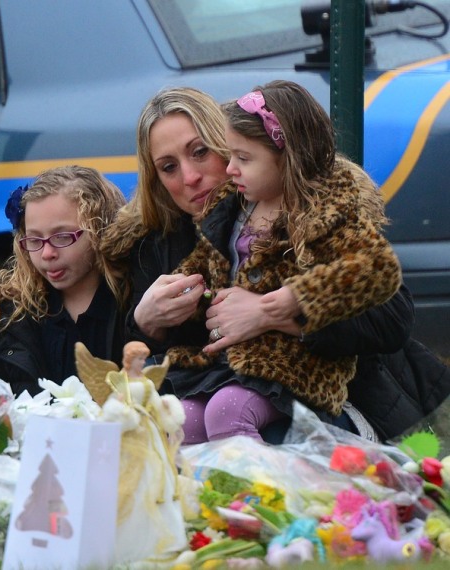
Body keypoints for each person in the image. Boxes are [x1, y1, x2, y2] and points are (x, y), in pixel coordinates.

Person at [102, 85, 418, 444]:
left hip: (331, 396)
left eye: (201, 152)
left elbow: (392, 317)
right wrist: (146, 323)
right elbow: (124, 365)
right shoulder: (155, 242)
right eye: (169, 167)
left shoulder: (309, 205)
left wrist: (276, 313)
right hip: (220, 381)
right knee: (174, 422)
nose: (189, 177)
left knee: (248, 419)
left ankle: (249, 499)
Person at [0, 165, 128, 397]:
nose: (47, 254)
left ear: (100, 230)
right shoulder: (11, 317)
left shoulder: (133, 302)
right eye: (34, 240)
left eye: (62, 237)